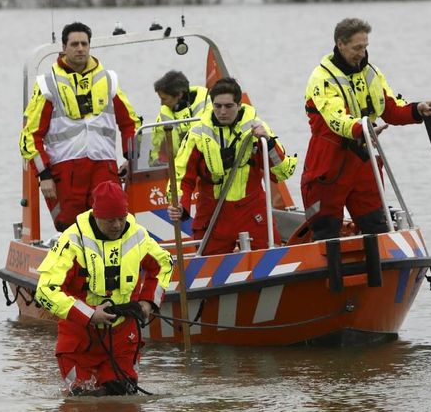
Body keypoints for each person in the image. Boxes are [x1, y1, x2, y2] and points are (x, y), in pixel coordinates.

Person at [301, 17, 431, 241]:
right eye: (357, 47)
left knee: (377, 225)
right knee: (326, 230)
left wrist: (417, 110)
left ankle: (381, 271)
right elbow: (336, 119)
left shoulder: (371, 73)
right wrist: (364, 128)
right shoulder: (322, 78)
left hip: (363, 163)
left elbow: (391, 108)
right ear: (340, 44)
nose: (362, 53)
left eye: (365, 46)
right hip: (328, 164)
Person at [35, 181, 172, 396]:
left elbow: (164, 264)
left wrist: (147, 302)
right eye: (110, 221)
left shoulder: (138, 236)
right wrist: (89, 314)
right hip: (80, 340)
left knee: (124, 401)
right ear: (96, 216)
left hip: (123, 338)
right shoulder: (72, 241)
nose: (117, 225)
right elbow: (45, 290)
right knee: (82, 401)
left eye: (121, 218)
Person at [20, 22, 141, 232]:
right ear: (64, 48)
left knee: (112, 222)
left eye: (84, 44)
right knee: (71, 228)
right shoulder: (48, 84)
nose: (80, 48)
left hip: (104, 167)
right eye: (74, 44)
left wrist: (132, 159)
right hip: (66, 172)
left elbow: (130, 123)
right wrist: (44, 176)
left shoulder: (109, 80)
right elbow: (31, 136)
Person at [167, 77, 297, 255]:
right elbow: (181, 176)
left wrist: (268, 141)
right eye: (217, 106)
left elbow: (281, 172)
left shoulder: (257, 129)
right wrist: (180, 205)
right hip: (213, 215)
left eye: (228, 106)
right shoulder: (197, 134)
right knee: (208, 272)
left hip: (252, 212)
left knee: (269, 259)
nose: (222, 112)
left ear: (239, 105)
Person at [149, 70, 209, 164]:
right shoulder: (164, 114)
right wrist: (155, 162)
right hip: (179, 165)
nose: (161, 104)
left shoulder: (207, 105)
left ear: (179, 95)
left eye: (164, 99)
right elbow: (156, 145)